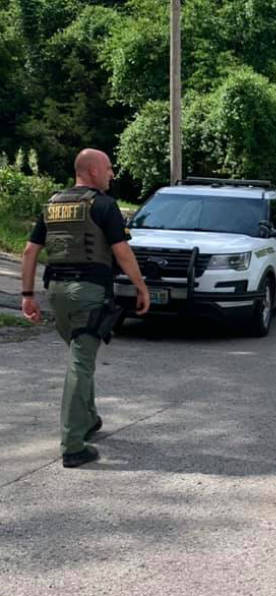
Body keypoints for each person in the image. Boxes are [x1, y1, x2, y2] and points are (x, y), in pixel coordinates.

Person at [20, 148, 150, 468]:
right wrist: (141, 286)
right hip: (89, 293)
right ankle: (73, 445)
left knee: (81, 355)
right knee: (80, 363)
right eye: (108, 168)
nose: (112, 174)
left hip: (58, 294)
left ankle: (88, 419)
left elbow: (28, 252)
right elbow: (122, 252)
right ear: (92, 171)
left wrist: (27, 295)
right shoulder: (104, 206)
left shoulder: (52, 205)